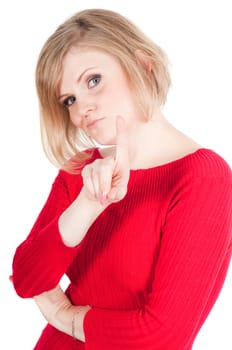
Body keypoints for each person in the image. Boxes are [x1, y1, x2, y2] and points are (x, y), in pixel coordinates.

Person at [11, 8, 232, 350]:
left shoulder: (203, 178)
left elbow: (162, 338)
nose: (80, 109)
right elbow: (26, 277)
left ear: (142, 65)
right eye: (68, 99)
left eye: (93, 80)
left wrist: (65, 317)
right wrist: (87, 204)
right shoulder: (81, 169)